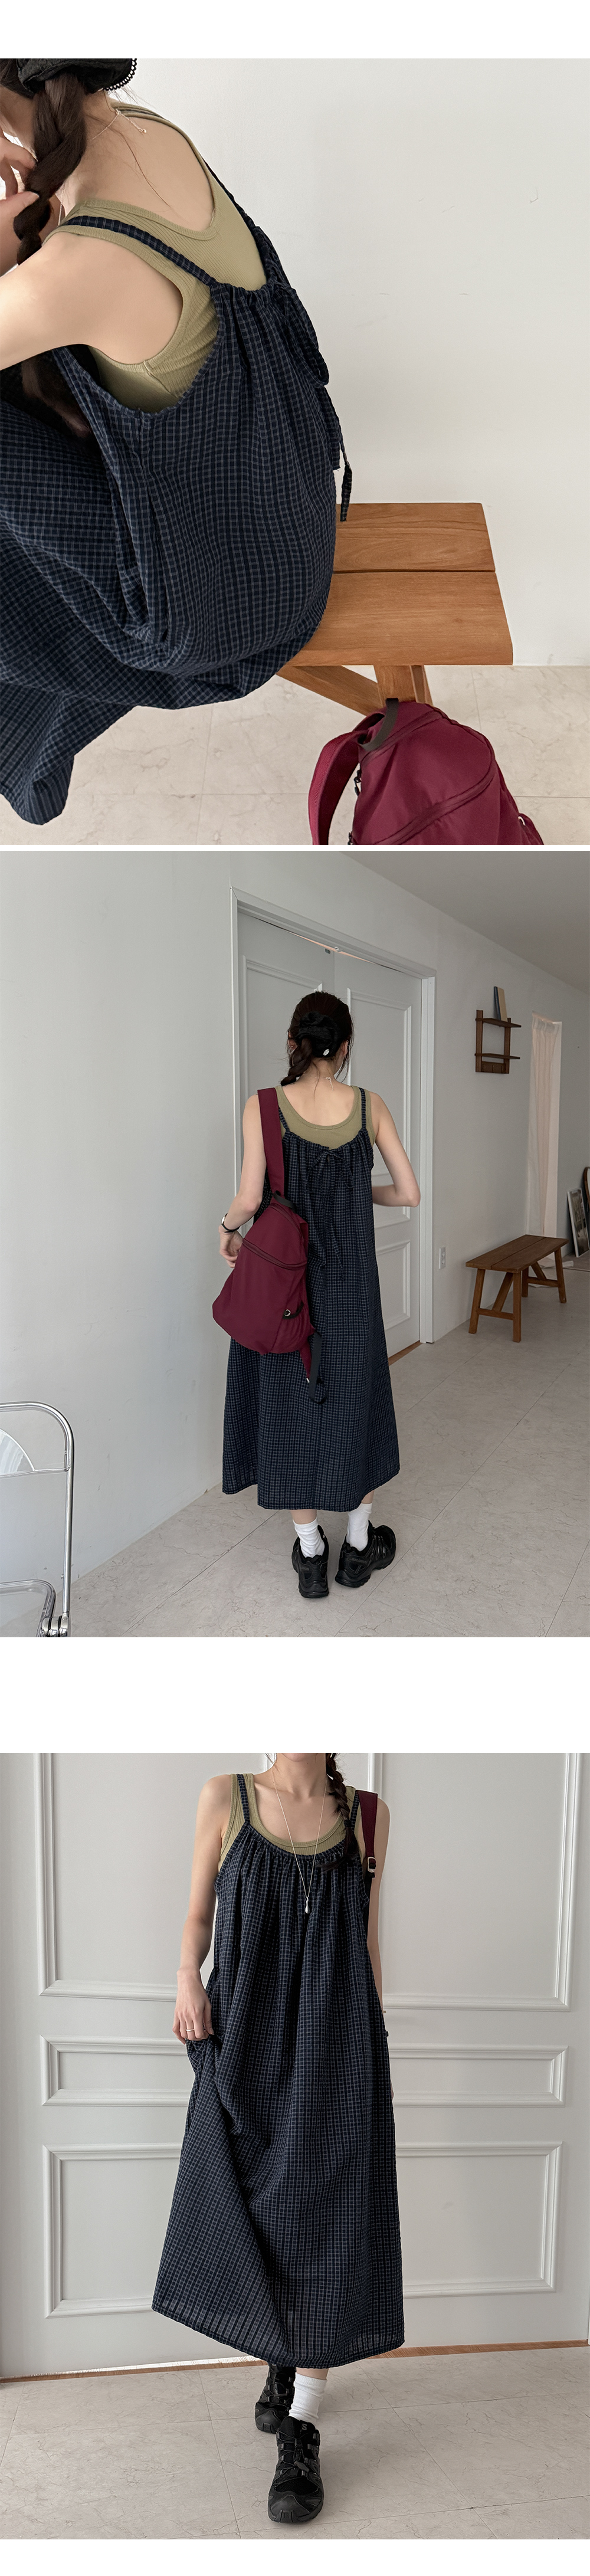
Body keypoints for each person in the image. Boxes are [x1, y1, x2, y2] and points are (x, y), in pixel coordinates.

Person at [0, 60, 349, 825]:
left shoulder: (75, 270)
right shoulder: (150, 133)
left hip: (219, 612)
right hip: (290, 517)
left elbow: (58, 290)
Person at [153, 1754, 404, 2526]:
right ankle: (279, 2355)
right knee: (247, 2202)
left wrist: (371, 2045)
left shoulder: (368, 1814)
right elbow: (199, 1914)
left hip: (337, 2041)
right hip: (244, 2033)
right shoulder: (225, 1797)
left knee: (326, 2222)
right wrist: (186, 1976)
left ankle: (301, 2427)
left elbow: (365, 1939)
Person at [218, 992, 420, 1598]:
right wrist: (359, 1191)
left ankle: (310, 1556)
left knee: (288, 1412)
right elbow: (408, 1192)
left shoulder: (263, 1107)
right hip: (352, 1289)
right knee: (355, 1408)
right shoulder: (370, 1106)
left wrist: (227, 1229)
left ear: (293, 1041)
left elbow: (249, 1199)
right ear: (346, 1046)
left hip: (286, 1290)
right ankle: (358, 1549)